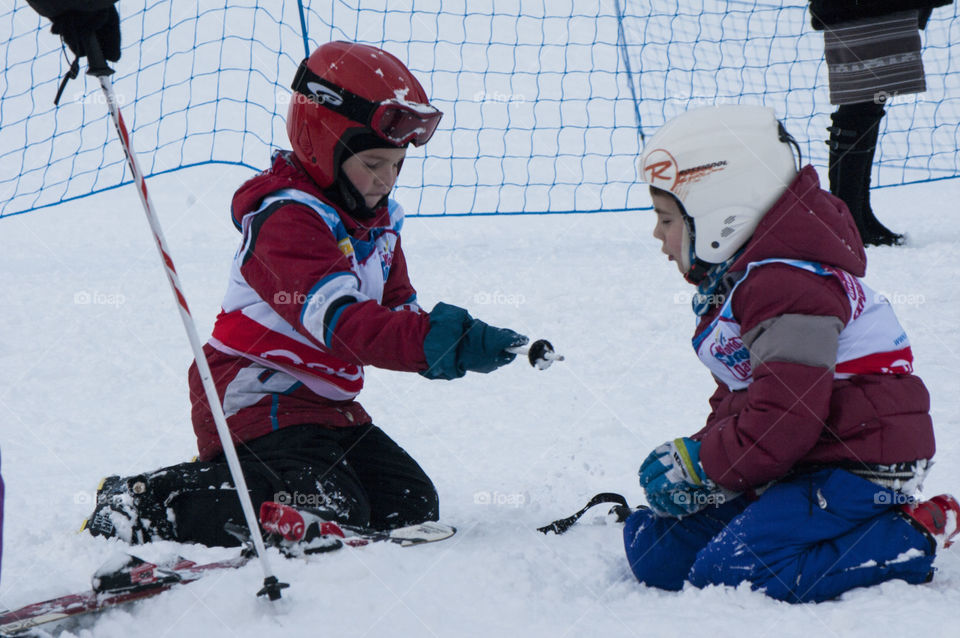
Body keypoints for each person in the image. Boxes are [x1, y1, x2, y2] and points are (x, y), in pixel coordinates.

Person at [82, 41, 528, 547]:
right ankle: (145, 501)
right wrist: (444, 342)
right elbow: (346, 325)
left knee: (409, 504)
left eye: (397, 165)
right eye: (374, 163)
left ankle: (266, 486)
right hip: (257, 400)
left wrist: (461, 342)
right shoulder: (287, 220)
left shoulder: (378, 223)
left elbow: (398, 309)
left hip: (329, 410)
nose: (387, 180)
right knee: (328, 509)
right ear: (324, 144)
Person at [625, 104, 958, 602]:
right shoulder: (748, 279)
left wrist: (708, 467)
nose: (658, 236)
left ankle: (909, 535)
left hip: (859, 464)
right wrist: (699, 461)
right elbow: (748, 399)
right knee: (659, 551)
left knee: (731, 572)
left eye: (666, 218)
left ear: (720, 214)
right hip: (801, 456)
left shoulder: (788, 284)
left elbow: (788, 417)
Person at [809, 0, 953, 246]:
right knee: (860, 103)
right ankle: (848, 218)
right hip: (861, 9)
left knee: (871, 101)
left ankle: (858, 213)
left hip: (879, 8)